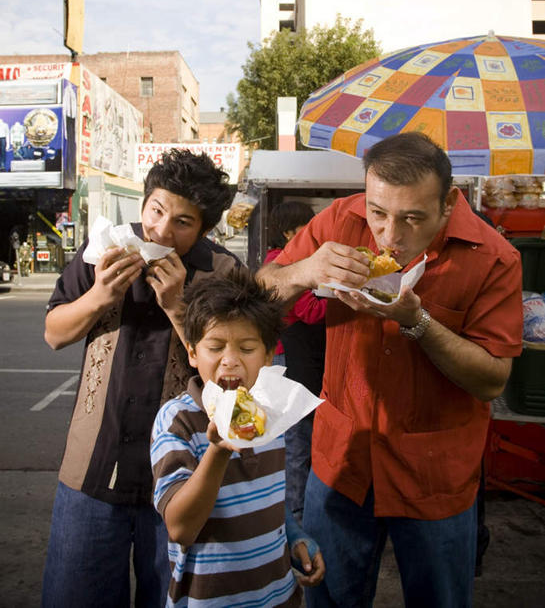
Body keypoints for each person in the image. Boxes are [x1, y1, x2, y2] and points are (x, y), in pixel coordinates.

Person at [258, 132, 523, 608]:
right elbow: (260, 292)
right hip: (342, 463)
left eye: (412, 218)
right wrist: (303, 270)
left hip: (433, 478)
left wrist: (417, 322)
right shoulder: (341, 219)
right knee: (327, 597)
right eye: (378, 213)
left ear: (449, 204)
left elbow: (492, 378)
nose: (389, 235)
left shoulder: (493, 258)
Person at [41, 149, 241, 608]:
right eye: (156, 210)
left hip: (180, 482)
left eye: (183, 223)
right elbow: (54, 333)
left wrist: (178, 305)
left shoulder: (224, 272)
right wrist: (99, 295)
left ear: (205, 229)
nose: (161, 231)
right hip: (90, 474)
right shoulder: (104, 251)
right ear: (144, 203)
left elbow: (232, 374)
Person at [151, 269, 325, 607]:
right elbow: (181, 528)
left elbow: (268, 498)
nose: (230, 361)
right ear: (192, 352)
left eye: (246, 348)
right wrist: (217, 450)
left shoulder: (271, 414)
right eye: (215, 347)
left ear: (269, 353)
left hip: (280, 597)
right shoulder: (178, 421)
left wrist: (295, 537)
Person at [265, 201, 327, 521]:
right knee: (295, 440)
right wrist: (351, 295)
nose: (314, 232)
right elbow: (311, 310)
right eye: (308, 226)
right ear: (289, 232)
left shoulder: (291, 260)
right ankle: (295, 515)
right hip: (287, 360)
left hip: (296, 358)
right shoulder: (281, 264)